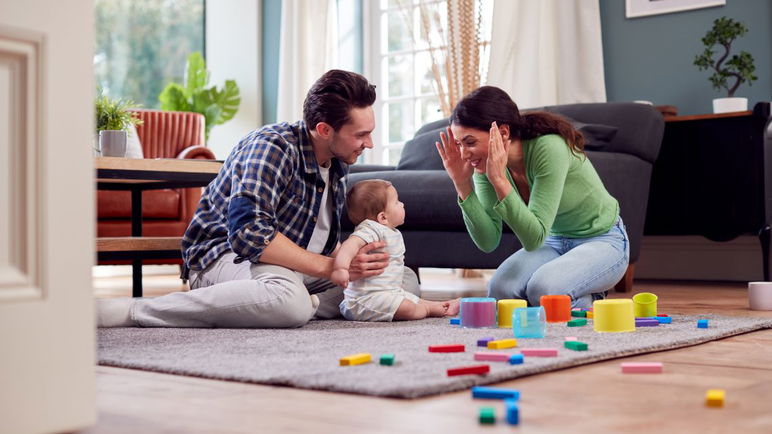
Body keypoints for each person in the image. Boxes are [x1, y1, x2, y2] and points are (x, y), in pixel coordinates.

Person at [97, 69, 423, 328]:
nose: (369, 144)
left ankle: (293, 305)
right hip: (226, 257)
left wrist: (355, 262)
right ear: (324, 130)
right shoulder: (272, 147)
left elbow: (317, 236)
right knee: (289, 301)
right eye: (361, 135)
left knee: (401, 280)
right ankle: (137, 310)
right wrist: (331, 267)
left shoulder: (338, 162)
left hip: (290, 268)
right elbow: (248, 235)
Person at [435, 86, 629, 308]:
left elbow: (533, 239)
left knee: (543, 290)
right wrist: (461, 183)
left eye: (470, 142)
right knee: (500, 290)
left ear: (503, 133)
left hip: (602, 240)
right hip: (553, 241)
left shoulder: (548, 148)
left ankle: (593, 297)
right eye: (459, 144)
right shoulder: (484, 167)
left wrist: (500, 181)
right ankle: (567, 297)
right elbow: (488, 241)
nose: (463, 154)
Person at [331, 179, 460, 321]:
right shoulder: (371, 228)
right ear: (383, 217)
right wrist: (341, 268)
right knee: (407, 307)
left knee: (411, 299)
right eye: (397, 202)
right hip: (364, 301)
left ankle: (439, 305)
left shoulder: (387, 230)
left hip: (388, 292)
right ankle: (428, 310)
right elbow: (350, 245)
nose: (402, 204)